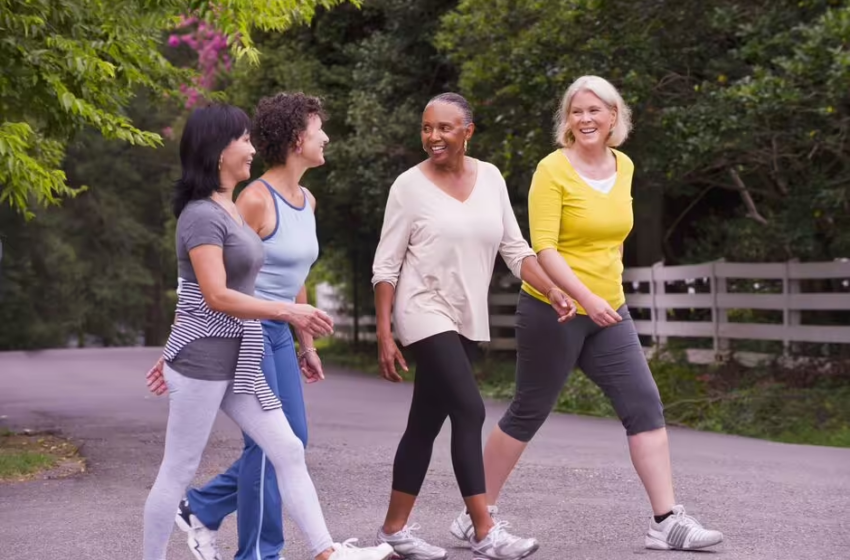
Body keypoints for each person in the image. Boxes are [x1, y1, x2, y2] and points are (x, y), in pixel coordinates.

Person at [448, 75, 724, 552]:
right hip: (553, 311)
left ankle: (666, 521)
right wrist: (583, 297)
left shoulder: (626, 166)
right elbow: (545, 250)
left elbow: (612, 239)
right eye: (577, 111)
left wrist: (604, 296)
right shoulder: (551, 170)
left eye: (596, 110)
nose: (586, 119)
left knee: (644, 404)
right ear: (567, 120)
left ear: (614, 117)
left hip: (608, 311)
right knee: (529, 410)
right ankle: (478, 514)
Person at [142, 102, 393, 560]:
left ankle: (326, 552)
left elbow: (213, 287)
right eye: (243, 139)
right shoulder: (202, 214)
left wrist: (298, 333)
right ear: (219, 150)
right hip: (203, 364)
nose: (253, 148)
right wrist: (289, 314)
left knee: (288, 449)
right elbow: (213, 294)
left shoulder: (228, 210)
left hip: (241, 356)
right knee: (177, 471)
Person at [370, 92, 576, 560]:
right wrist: (386, 332)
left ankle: (393, 529)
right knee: (469, 410)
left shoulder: (491, 178)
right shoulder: (408, 186)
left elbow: (515, 249)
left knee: (424, 423)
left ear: (468, 130)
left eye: (444, 127)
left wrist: (554, 290)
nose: (433, 137)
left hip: (465, 315)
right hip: (422, 309)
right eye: (426, 128)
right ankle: (484, 529)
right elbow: (386, 266)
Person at [154, 92, 330, 560]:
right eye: (319, 130)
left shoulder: (307, 200)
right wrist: (179, 343)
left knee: (292, 442)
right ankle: (257, 552)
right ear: (298, 139)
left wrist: (305, 342)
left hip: (279, 330)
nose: (326, 137)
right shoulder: (251, 199)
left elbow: (296, 278)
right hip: (250, 330)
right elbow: (221, 280)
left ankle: (204, 507)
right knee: (267, 448)